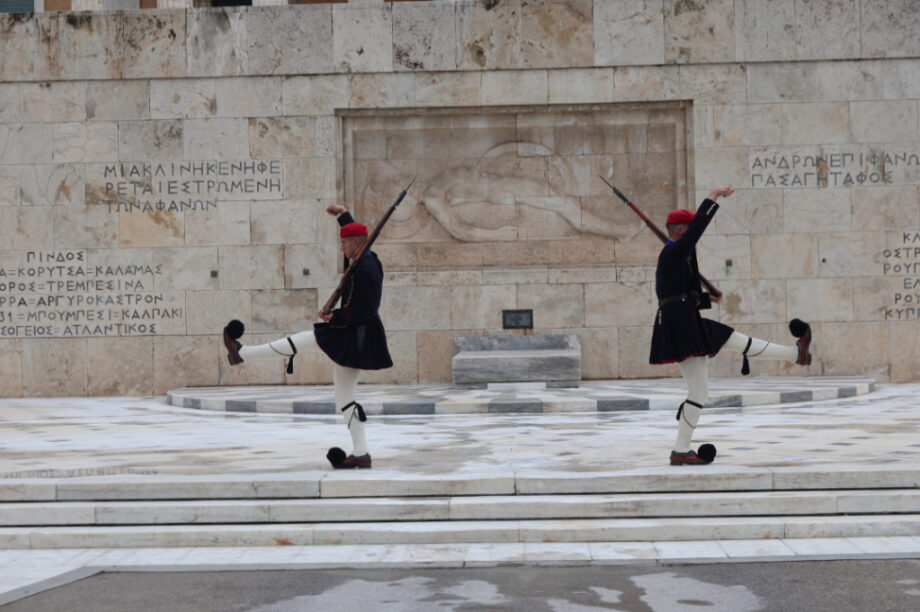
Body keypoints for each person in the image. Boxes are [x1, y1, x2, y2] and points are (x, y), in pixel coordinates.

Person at [650, 186, 812, 466]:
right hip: (680, 324)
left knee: (729, 341)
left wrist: (706, 298)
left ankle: (795, 354)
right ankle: (680, 449)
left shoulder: (673, 257)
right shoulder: (673, 252)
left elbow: (675, 293)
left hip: (683, 319)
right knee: (700, 389)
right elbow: (698, 229)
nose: (692, 237)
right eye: (688, 232)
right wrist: (713, 196)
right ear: (681, 231)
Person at [222, 204, 392, 469]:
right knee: (344, 397)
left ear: (357, 244)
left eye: (344, 243)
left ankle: (242, 354)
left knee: (305, 339)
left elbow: (367, 309)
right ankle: (361, 453)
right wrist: (343, 216)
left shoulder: (367, 269)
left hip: (355, 335)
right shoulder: (365, 258)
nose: (341, 248)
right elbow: (357, 235)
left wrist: (335, 317)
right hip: (355, 334)